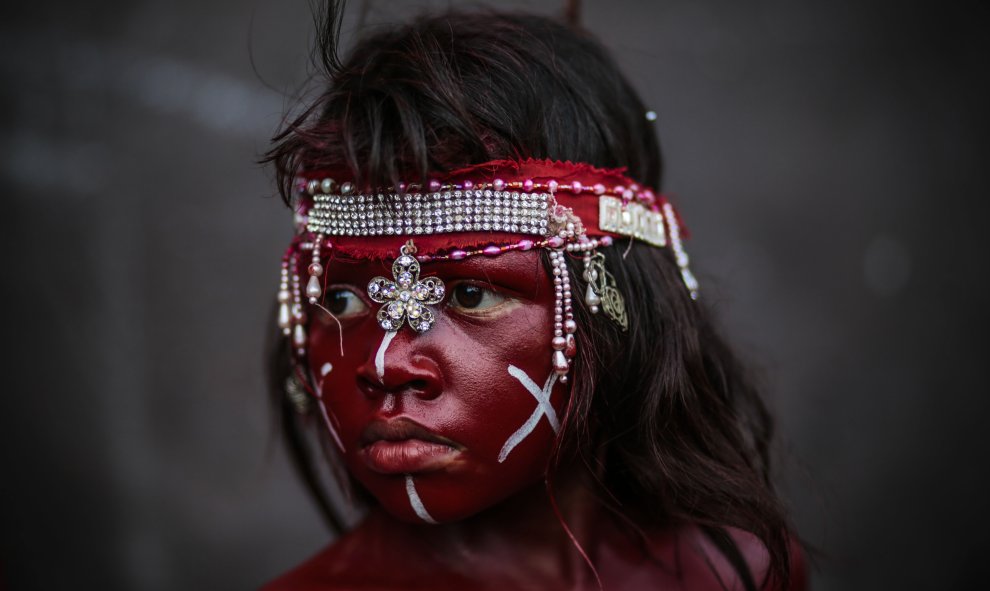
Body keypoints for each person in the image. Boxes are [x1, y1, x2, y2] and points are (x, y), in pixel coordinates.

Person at [261, 2, 806, 589]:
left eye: (471, 293)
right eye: (341, 302)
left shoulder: (740, 576)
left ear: (617, 308)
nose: (385, 362)